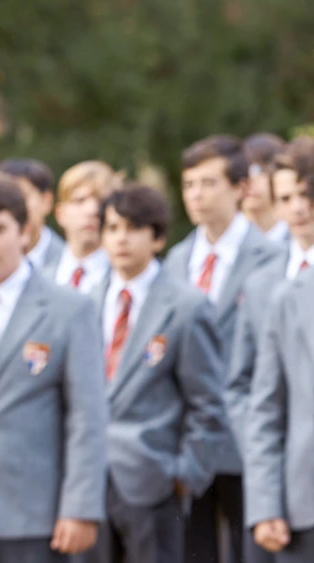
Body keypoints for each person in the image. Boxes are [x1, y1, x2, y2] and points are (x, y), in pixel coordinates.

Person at [0, 172, 107, 562]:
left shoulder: (70, 309)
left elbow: (87, 417)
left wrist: (80, 507)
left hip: (34, 513)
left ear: (24, 232)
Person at [76, 184, 229, 563]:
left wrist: (184, 476)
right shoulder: (84, 303)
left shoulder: (187, 307)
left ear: (158, 237)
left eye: (133, 228)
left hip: (154, 482)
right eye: (112, 228)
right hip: (89, 484)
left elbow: (208, 404)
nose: (121, 238)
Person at [163, 134, 283, 563]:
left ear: (241, 187)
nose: (196, 194)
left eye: (208, 183)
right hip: (188, 440)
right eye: (189, 184)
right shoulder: (175, 262)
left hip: (245, 436)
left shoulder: (273, 258)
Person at [239, 175, 314, 563]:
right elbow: (264, 407)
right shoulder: (286, 296)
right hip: (305, 500)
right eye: (287, 198)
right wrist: (265, 503)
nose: (300, 207)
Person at [46, 160, 122, 292]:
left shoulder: (124, 281)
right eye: (80, 200)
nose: (92, 210)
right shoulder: (40, 277)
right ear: (60, 214)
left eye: (102, 202)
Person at [0, 158, 66, 269]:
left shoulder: (69, 264)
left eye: (22, 197)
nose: (13, 207)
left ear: (46, 201)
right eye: (5, 199)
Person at [242, 133, 289, 242]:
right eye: (245, 170)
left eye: (260, 170)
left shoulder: (299, 239)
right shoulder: (223, 240)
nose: (251, 179)